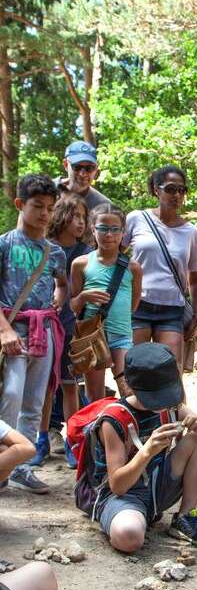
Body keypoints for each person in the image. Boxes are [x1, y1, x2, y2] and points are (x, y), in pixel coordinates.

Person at [94, 343, 197, 551]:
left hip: (158, 485)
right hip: (125, 495)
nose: (159, 403)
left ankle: (186, 517)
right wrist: (147, 450)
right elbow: (118, 485)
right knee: (128, 536)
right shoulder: (114, 420)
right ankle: (127, 517)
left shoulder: (171, 407)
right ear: (130, 385)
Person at [0, 174, 66, 495]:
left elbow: (62, 283)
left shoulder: (55, 253)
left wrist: (60, 297)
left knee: (36, 400)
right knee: (10, 394)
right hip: (12, 329)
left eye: (50, 208)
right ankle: (4, 462)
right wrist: (5, 331)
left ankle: (22, 468)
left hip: (45, 331)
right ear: (19, 205)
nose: (44, 214)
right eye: (37, 206)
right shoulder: (4, 244)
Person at [30, 194, 90, 469]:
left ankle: (72, 441)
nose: (80, 223)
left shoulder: (86, 252)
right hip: (45, 326)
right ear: (61, 217)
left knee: (70, 386)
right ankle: (40, 440)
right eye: (75, 216)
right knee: (44, 388)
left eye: (83, 218)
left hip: (74, 326)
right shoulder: (46, 248)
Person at [125, 165, 197, 371]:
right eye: (170, 189)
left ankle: (174, 406)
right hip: (137, 305)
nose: (176, 195)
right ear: (155, 190)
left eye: (181, 190)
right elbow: (113, 255)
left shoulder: (191, 232)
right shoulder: (136, 219)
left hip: (172, 309)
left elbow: (195, 277)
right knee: (135, 369)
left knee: (171, 372)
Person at [70, 202, 142, 402]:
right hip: (91, 337)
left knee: (129, 391)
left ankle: (128, 431)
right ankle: (97, 432)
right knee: (95, 395)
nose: (108, 235)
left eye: (114, 229)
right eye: (102, 228)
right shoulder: (81, 264)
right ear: (93, 229)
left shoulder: (133, 267)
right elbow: (73, 306)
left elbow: (133, 305)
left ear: (122, 232)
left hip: (122, 335)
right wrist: (84, 296)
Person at [54, 140, 110, 212]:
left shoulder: (102, 206)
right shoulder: (45, 189)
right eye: (77, 167)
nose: (83, 173)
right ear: (66, 165)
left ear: (96, 168)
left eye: (89, 168)